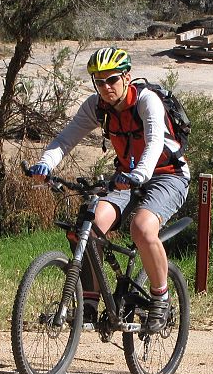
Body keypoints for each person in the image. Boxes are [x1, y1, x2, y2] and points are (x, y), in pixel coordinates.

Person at [28, 47, 190, 331]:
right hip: (127, 177)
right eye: (99, 81)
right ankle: (89, 303)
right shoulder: (96, 106)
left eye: (112, 79)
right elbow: (65, 139)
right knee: (87, 228)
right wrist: (45, 164)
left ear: (127, 76)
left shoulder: (146, 101)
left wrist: (138, 173)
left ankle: (160, 298)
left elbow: (153, 142)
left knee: (141, 228)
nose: (105, 87)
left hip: (168, 175)